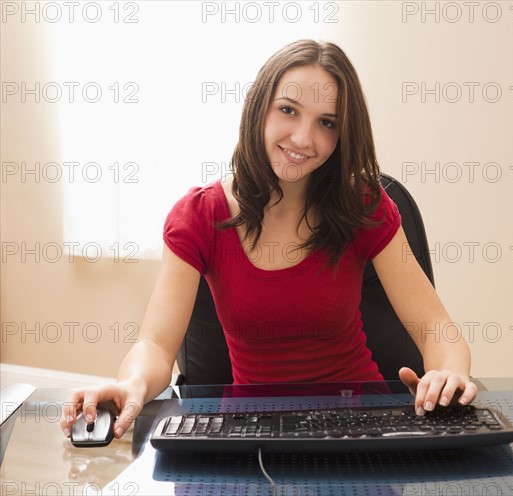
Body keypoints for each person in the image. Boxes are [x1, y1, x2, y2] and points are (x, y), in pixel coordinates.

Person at [61, 39, 478, 440]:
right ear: (259, 108)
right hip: (252, 430)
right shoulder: (199, 217)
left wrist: (448, 373)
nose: (302, 138)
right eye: (288, 110)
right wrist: (131, 385)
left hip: (361, 423)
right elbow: (154, 343)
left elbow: (436, 327)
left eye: (326, 123)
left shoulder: (363, 205)